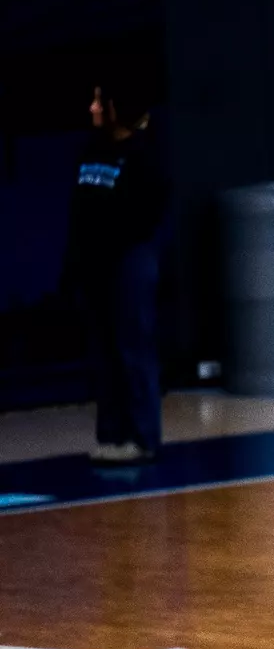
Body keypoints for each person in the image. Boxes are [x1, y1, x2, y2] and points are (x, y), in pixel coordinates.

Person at [64, 74, 167, 465]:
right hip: (93, 269)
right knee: (103, 354)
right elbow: (77, 211)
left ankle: (143, 438)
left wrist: (111, 246)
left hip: (128, 266)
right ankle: (111, 434)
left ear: (115, 108)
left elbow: (144, 216)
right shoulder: (90, 151)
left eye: (98, 101)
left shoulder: (144, 156)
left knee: (133, 351)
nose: (92, 108)